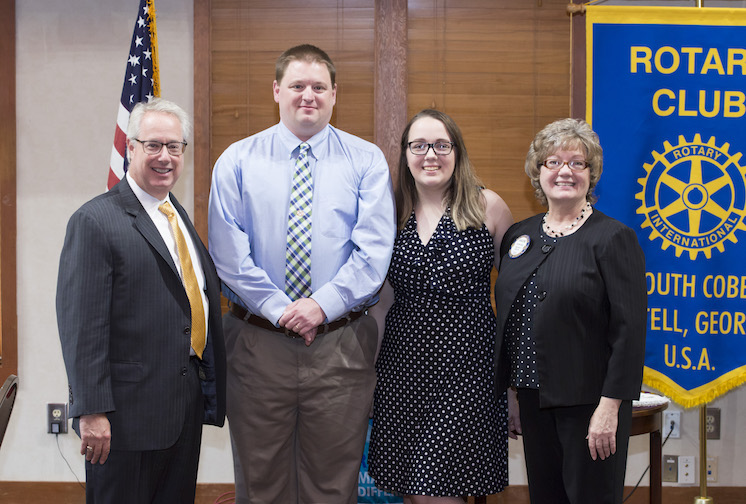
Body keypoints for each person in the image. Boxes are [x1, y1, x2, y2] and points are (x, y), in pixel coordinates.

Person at [207, 44, 396, 503]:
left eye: (318, 87)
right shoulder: (237, 160)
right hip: (256, 346)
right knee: (260, 481)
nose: (307, 95)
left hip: (340, 345)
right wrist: (281, 310)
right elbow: (229, 255)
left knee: (333, 483)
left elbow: (373, 253)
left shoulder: (366, 160)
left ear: (335, 94)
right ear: (276, 90)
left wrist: (319, 306)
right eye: (297, 86)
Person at [56, 98, 226, 503]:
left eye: (174, 146)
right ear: (130, 147)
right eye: (153, 145)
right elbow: (83, 326)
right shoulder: (96, 221)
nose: (164, 156)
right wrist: (92, 411)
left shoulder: (177, 216)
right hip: (124, 416)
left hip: (181, 407)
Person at [494, 118, 647, 504]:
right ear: (538, 172)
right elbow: (512, 317)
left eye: (577, 163)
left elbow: (630, 332)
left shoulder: (613, 238)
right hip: (532, 398)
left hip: (589, 404)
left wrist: (610, 408)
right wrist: (512, 393)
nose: (565, 171)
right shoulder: (520, 236)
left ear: (591, 175)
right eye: (553, 162)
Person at [367, 109, 514, 504]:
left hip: (469, 374)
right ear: (405, 154)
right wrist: (371, 375)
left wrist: (514, 385)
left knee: (434, 490)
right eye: (419, 145)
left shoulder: (488, 207)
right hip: (402, 373)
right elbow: (382, 304)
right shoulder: (390, 213)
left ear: (457, 153)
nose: (430, 155)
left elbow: (514, 300)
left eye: (441, 145)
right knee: (413, 490)